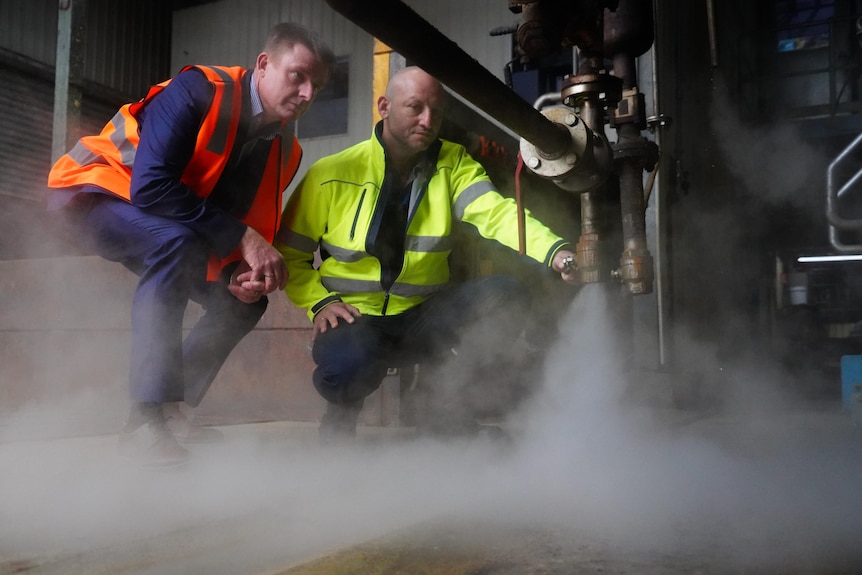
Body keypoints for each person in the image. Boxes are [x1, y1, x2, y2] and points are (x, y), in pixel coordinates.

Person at [46, 23, 336, 467]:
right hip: (92, 192)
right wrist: (243, 241)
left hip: (169, 223)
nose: (307, 92)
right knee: (175, 245)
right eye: (298, 75)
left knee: (242, 303)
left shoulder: (283, 148)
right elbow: (152, 188)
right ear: (263, 64)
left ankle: (171, 411)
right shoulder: (199, 89)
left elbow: (228, 215)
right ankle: (144, 421)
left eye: (317, 85)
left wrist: (236, 271)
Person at [277, 66, 579, 443]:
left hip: (424, 316)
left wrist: (555, 251)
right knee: (346, 366)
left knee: (505, 295)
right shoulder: (331, 174)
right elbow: (289, 254)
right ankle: (340, 415)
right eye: (415, 107)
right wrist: (319, 303)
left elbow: (496, 213)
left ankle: (443, 410)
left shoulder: (453, 164)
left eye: (436, 111)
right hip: (357, 318)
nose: (427, 120)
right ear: (384, 106)